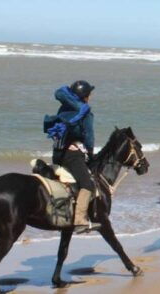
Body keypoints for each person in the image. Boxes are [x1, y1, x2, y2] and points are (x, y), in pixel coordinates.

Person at [46, 80, 100, 233]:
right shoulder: (86, 113)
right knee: (87, 185)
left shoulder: (63, 107)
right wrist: (90, 153)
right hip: (72, 156)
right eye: (90, 94)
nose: (91, 96)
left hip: (57, 154)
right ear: (85, 96)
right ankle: (80, 220)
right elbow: (89, 138)